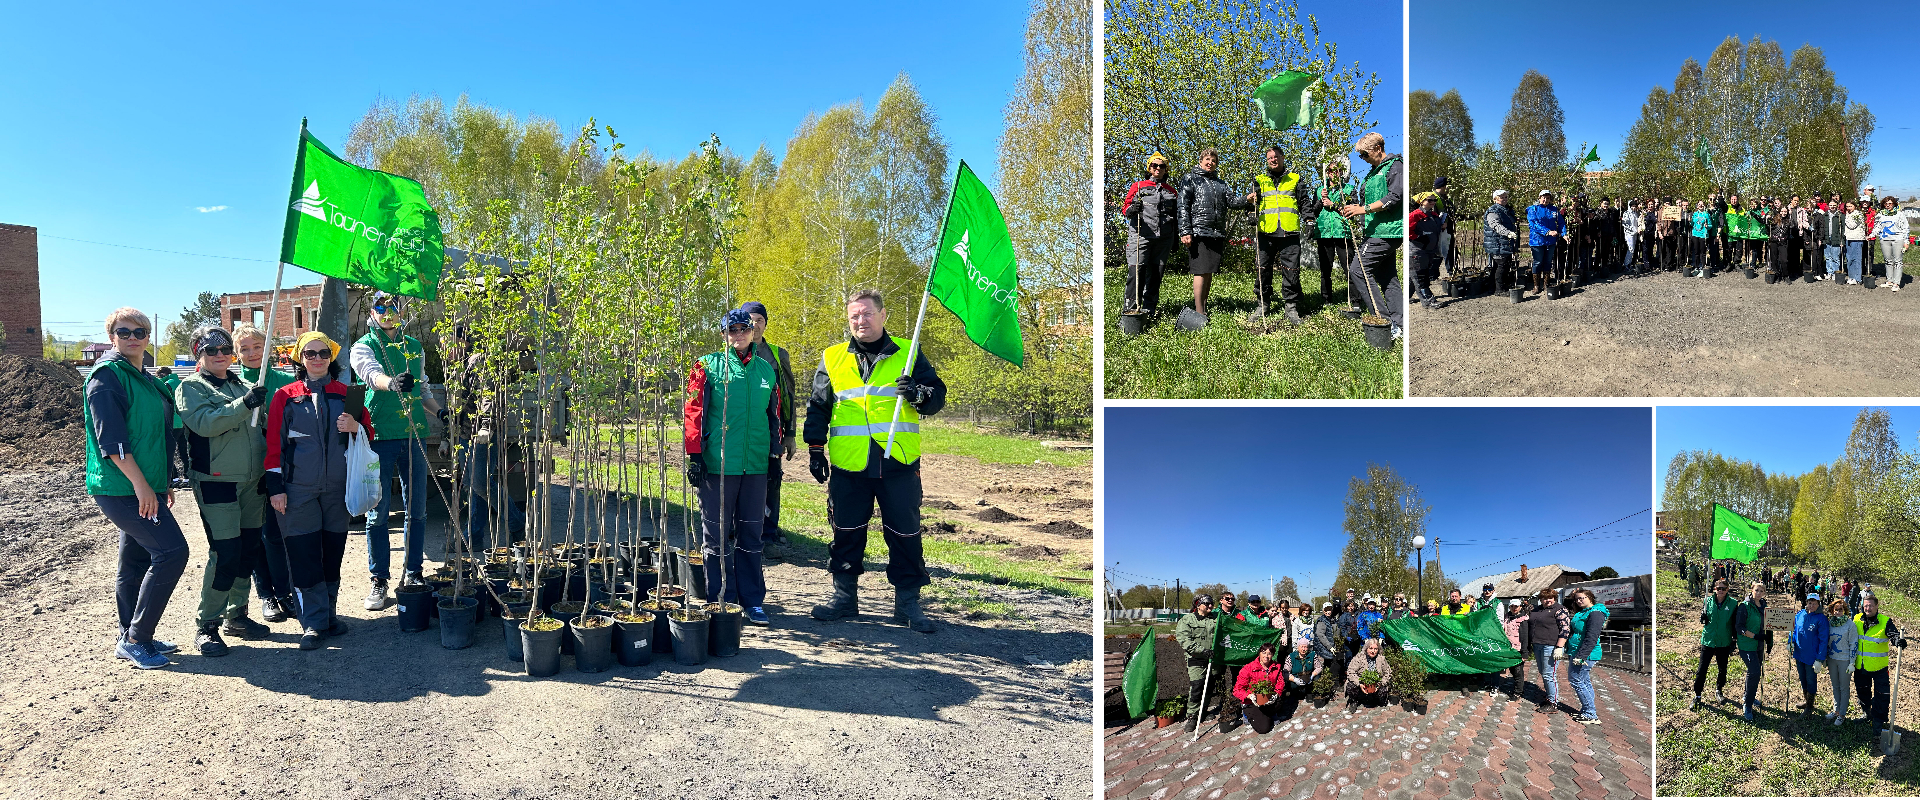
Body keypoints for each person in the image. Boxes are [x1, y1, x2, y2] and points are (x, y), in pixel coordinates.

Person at [806, 289, 946, 633]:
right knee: (846, 531)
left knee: (905, 532)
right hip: (849, 464)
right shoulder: (833, 357)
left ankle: (907, 603)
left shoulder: (908, 353)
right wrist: (814, 448)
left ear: (883, 316)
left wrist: (918, 393)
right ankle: (844, 597)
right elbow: (818, 406)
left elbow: (936, 396)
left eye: (867, 314)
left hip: (897, 463)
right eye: (854, 315)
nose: (860, 321)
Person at [85, 308, 187, 669]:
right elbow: (111, 442)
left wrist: (163, 483)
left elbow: (157, 435)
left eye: (139, 330)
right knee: (173, 552)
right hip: (122, 487)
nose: (133, 336)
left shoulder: (146, 379)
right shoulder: (107, 376)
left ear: (147, 336)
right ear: (112, 336)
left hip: (147, 485)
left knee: (136, 558)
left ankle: (130, 632)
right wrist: (143, 487)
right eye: (123, 331)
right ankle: (137, 639)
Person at [264, 331, 373, 651]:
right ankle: (311, 622)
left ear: (332, 357)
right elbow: (274, 447)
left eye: (323, 353)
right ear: (300, 357)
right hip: (298, 490)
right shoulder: (285, 395)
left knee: (331, 553)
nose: (317, 359)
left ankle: (328, 616)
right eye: (309, 353)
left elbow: (369, 435)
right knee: (304, 554)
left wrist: (358, 427)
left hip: (337, 489)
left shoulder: (349, 394)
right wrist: (276, 489)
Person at [175, 326, 275, 656]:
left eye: (224, 349)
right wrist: (245, 405)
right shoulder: (190, 388)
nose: (219, 355)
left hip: (252, 481)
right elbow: (206, 423)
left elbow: (263, 428)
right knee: (226, 552)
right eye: (210, 350)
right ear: (198, 354)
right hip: (217, 481)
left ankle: (238, 615)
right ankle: (207, 625)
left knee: (247, 550)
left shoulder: (244, 385)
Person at [684, 308, 781, 626]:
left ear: (754, 332)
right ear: (723, 335)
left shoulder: (767, 370)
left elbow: (773, 416)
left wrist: (774, 455)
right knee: (716, 536)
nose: (738, 335)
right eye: (731, 330)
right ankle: (719, 602)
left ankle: (752, 601)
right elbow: (693, 411)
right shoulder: (706, 366)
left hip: (754, 466)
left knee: (752, 535)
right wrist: (695, 455)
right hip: (718, 466)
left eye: (744, 329)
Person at [348, 292, 443, 610]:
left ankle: (414, 573)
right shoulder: (362, 346)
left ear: (403, 310)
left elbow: (423, 386)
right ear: (371, 310)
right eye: (380, 307)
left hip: (413, 435)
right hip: (379, 436)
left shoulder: (414, 347)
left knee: (417, 509)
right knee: (377, 512)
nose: (387, 312)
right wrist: (391, 383)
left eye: (394, 306)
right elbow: (370, 374)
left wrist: (439, 412)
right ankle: (379, 580)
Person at [233, 324, 299, 625]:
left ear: (267, 348)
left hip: (279, 469)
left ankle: (285, 591)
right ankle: (266, 595)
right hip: (245, 470)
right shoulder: (230, 384)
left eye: (256, 347)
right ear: (236, 354)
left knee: (275, 533)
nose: (251, 353)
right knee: (255, 535)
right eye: (244, 349)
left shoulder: (286, 382)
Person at [741, 301, 797, 550]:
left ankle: (768, 534)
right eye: (749, 320)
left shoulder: (777, 355)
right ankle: (739, 532)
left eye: (759, 320)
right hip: (738, 434)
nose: (754, 325)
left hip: (770, 433)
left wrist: (790, 434)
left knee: (772, 480)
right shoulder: (731, 352)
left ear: (765, 324)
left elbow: (788, 397)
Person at [1340, 132, 1404, 334]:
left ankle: (1384, 322)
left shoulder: (1396, 166)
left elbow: (1394, 197)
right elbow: (1370, 201)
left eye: (1364, 155)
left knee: (1358, 271)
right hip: (1375, 229)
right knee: (1388, 278)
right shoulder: (1374, 171)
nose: (1363, 159)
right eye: (1360, 156)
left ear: (1377, 149)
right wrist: (1354, 208)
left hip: (1387, 231)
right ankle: (1400, 324)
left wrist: (1364, 209)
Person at [1177, 148, 1252, 318]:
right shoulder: (1190, 179)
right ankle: (1198, 311)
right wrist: (1185, 231)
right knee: (1200, 270)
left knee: (1208, 270)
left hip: (1216, 233)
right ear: (1201, 160)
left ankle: (1203, 306)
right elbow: (1183, 206)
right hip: (1198, 231)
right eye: (1207, 159)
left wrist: (1246, 199)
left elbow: (1232, 202)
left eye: (1214, 161)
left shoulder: (1221, 184)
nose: (1210, 163)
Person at [1246, 144, 1315, 323]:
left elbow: (1304, 202)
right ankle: (1263, 304)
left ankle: (1291, 307)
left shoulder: (1295, 178)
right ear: (1267, 161)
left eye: (1276, 157)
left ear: (1283, 158)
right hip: (1265, 232)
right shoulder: (1259, 179)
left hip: (1289, 231)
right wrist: (1251, 214)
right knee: (1262, 270)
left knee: (1291, 270)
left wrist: (1309, 220)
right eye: (1269, 158)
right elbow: (1252, 202)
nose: (1273, 160)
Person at [1120, 152, 1178, 317]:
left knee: (1156, 274)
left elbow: (1176, 216)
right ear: (1149, 168)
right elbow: (1126, 209)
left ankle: (1149, 309)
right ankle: (1131, 309)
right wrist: (1132, 209)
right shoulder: (1138, 186)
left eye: (1161, 166)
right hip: (1141, 235)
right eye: (1155, 165)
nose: (1158, 168)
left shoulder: (1172, 191)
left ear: (1166, 169)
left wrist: (1176, 239)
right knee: (1136, 271)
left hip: (1164, 239)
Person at [1854, 594, 1910, 742]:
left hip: (1879, 668)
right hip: (1861, 667)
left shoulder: (1885, 621)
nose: (1868, 608)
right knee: (1862, 692)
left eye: (1871, 605)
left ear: (1877, 606)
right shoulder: (1856, 619)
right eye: (1865, 605)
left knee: (1882, 696)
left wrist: (1898, 641)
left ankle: (1878, 724)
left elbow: (1893, 634)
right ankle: (1867, 713)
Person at [1176, 594, 1222, 732]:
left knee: (1209, 686)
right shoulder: (1187, 620)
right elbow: (1184, 640)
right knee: (1197, 686)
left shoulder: (1215, 618)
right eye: (1207, 603)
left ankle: (1203, 711)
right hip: (1196, 658)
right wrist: (1202, 650)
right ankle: (1192, 715)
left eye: (1212, 603)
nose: (1210, 606)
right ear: (1198, 605)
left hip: (1213, 659)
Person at [1315, 159, 1357, 304]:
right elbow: (1313, 212)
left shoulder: (1349, 189)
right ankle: (1326, 300)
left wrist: (1333, 204)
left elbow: (1353, 211)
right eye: (1332, 170)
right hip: (1324, 233)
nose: (1335, 173)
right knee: (1325, 270)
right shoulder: (1320, 190)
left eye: (1339, 170)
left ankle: (1355, 301)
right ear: (1327, 173)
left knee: (1350, 269)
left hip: (1343, 233)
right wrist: (1321, 200)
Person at [1565, 588, 1608, 724]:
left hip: (1586, 653)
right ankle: (1588, 711)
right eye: (1576, 599)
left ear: (1590, 597)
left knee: (1575, 679)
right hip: (1576, 651)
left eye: (1582, 598)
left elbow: (1591, 637)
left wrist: (1581, 656)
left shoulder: (1596, 613)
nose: (1578, 601)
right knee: (1584, 681)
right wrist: (1571, 596)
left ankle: (1590, 713)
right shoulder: (1582, 612)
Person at [1528, 588, 1570, 713]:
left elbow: (1565, 629)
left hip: (1551, 646)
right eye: (1545, 598)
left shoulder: (1560, 610)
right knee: (1543, 672)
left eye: (1550, 598)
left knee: (1549, 674)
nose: (1548, 600)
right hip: (1538, 644)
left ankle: (1553, 702)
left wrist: (1559, 647)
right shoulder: (1537, 609)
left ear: (1554, 598)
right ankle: (1549, 697)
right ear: (1541, 599)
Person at [1788, 592, 1831, 715]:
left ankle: (1810, 706)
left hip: (1812, 656)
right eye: (1809, 603)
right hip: (1799, 653)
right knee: (1802, 678)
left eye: (1814, 603)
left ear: (1819, 604)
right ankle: (1806, 700)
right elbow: (1793, 629)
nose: (1811, 605)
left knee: (1810, 679)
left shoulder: (1821, 619)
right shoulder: (1800, 614)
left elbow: (1824, 640)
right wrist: (1789, 641)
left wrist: (1820, 658)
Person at [1233, 642, 1289, 734]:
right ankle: (1247, 714)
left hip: (1268, 697)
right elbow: (1237, 690)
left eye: (1269, 653)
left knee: (1280, 699)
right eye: (1264, 652)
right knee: (1264, 728)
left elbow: (1280, 683)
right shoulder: (1248, 668)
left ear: (1273, 655)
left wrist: (1276, 693)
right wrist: (1249, 696)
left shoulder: (1276, 666)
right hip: (1252, 701)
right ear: (1259, 653)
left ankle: (1270, 712)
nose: (1266, 656)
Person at [1731, 582, 1767, 721]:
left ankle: (1748, 695)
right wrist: (1754, 636)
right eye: (1756, 590)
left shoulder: (1764, 606)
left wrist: (1767, 641)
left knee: (1753, 673)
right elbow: (1739, 626)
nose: (1759, 593)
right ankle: (1747, 704)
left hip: (1759, 645)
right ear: (1751, 590)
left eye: (1761, 590)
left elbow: (1768, 624)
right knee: (1755, 672)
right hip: (1747, 644)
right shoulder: (1744, 606)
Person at [1406, 193, 1442, 308]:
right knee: (1420, 276)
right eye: (1429, 200)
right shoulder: (1414, 215)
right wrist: (1418, 237)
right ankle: (1428, 301)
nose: (1433, 202)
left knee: (1414, 275)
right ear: (1421, 202)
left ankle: (1405, 297)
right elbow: (1406, 230)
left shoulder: (1434, 215)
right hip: (1417, 251)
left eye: (1434, 200)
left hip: (1430, 250)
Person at [1526, 190, 1566, 294]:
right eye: (1543, 197)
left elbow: (1561, 222)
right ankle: (1536, 285)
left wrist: (1564, 234)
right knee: (1538, 262)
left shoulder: (1553, 210)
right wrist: (1547, 231)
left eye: (1548, 198)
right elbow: (1533, 224)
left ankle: (1546, 284)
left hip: (1551, 241)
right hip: (1537, 241)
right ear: (1539, 198)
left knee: (1548, 262)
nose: (1545, 200)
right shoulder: (1533, 209)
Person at [1484, 189, 1520, 293]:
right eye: (1501, 197)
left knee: (1497, 266)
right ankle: (1500, 290)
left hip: (1504, 243)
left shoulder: (1506, 210)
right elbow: (1495, 225)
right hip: (1498, 243)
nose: (1504, 199)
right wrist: (1507, 233)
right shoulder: (1493, 211)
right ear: (1495, 199)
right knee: (1502, 266)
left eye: (1505, 197)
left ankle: (1492, 287)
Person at [1344, 638, 1393, 708]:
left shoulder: (1381, 659)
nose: (1373, 651)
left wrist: (1381, 683)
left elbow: (1388, 673)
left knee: (1383, 688)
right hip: (1362, 683)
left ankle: (1377, 700)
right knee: (1351, 685)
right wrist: (1359, 683)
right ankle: (1354, 701)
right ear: (1366, 649)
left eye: (1376, 649)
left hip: (1376, 684)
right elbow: (1350, 672)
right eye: (1371, 648)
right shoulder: (1359, 657)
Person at [1875, 196, 1907, 291]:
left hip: (1898, 239)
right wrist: (1871, 234)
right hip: (1885, 239)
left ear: (1894, 204)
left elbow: (1905, 228)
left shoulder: (1900, 214)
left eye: (1890, 203)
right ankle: (1889, 280)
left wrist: (1906, 241)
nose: (1888, 205)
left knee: (1897, 261)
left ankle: (1896, 283)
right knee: (1888, 260)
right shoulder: (1881, 214)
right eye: (1885, 204)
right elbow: (1877, 226)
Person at [1502, 598, 1529, 702]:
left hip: (1518, 648)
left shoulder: (1523, 619)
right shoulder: (1507, 617)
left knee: (1518, 671)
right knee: (1513, 670)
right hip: (1509, 648)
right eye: (1512, 606)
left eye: (1516, 606)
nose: (1514, 608)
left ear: (1520, 607)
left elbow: (1525, 636)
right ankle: (1518, 687)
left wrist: (1524, 652)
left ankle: (1518, 692)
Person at [1283, 639, 1322, 705]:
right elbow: (1285, 672)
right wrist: (1294, 679)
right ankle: (1295, 693)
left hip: (1308, 676)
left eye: (1305, 647)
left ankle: (1309, 692)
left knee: (1317, 677)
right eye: (1302, 647)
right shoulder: (1291, 656)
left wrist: (1313, 675)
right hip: (1296, 676)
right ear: (1298, 647)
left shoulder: (1312, 654)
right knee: (1293, 686)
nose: (1303, 649)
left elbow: (1319, 667)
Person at [1312, 602, 1346, 672]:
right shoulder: (1322, 621)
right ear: (1323, 610)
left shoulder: (1333, 619)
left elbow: (1336, 631)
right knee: (1326, 665)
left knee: (1332, 665)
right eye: (1326, 610)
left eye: (1330, 609)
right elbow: (1321, 635)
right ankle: (1326, 679)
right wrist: (1330, 647)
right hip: (1324, 647)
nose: (1328, 612)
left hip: (1331, 646)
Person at [1844, 201, 1869, 285]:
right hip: (1849, 238)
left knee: (1856, 259)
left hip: (1856, 239)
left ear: (1855, 206)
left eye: (1850, 206)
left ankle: (1857, 278)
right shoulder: (1849, 214)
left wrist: (1846, 217)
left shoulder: (1858, 214)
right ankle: (1851, 276)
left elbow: (1852, 225)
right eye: (1847, 206)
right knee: (1849, 258)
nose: (1848, 208)